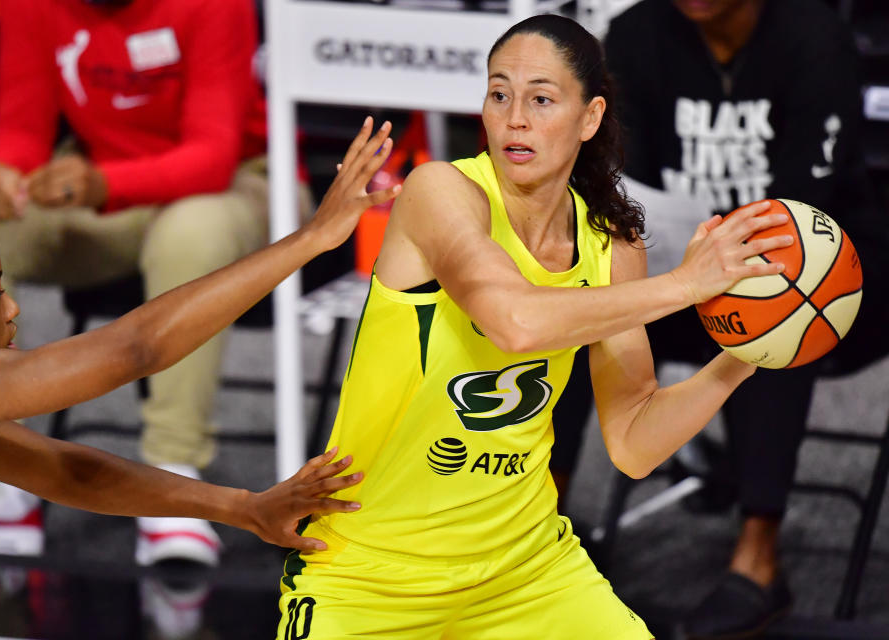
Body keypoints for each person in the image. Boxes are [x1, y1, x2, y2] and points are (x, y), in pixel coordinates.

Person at [274, 15, 793, 640]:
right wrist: (685, 286)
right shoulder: (440, 192)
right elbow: (514, 322)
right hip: (371, 575)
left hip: (526, 570)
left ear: (590, 117)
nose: (515, 117)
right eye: (500, 94)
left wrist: (749, 349)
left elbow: (632, 443)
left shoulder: (611, 242)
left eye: (541, 99)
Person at [0, 0, 309, 566]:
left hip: (237, 179)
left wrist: (104, 183)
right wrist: (2, 175)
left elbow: (212, 155)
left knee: (192, 230)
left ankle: (174, 467)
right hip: (96, 180)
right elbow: (21, 129)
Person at [0, 119, 400, 554]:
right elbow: (136, 348)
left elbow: (70, 474)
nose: (13, 310)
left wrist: (243, 508)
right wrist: (311, 238)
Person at [565, 1, 884, 636]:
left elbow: (807, 200)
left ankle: (759, 561)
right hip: (685, 274)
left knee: (774, 311)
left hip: (825, 277)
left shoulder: (813, 34)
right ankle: (538, 523)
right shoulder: (633, 35)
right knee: (575, 307)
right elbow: (631, 190)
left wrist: (731, 263)